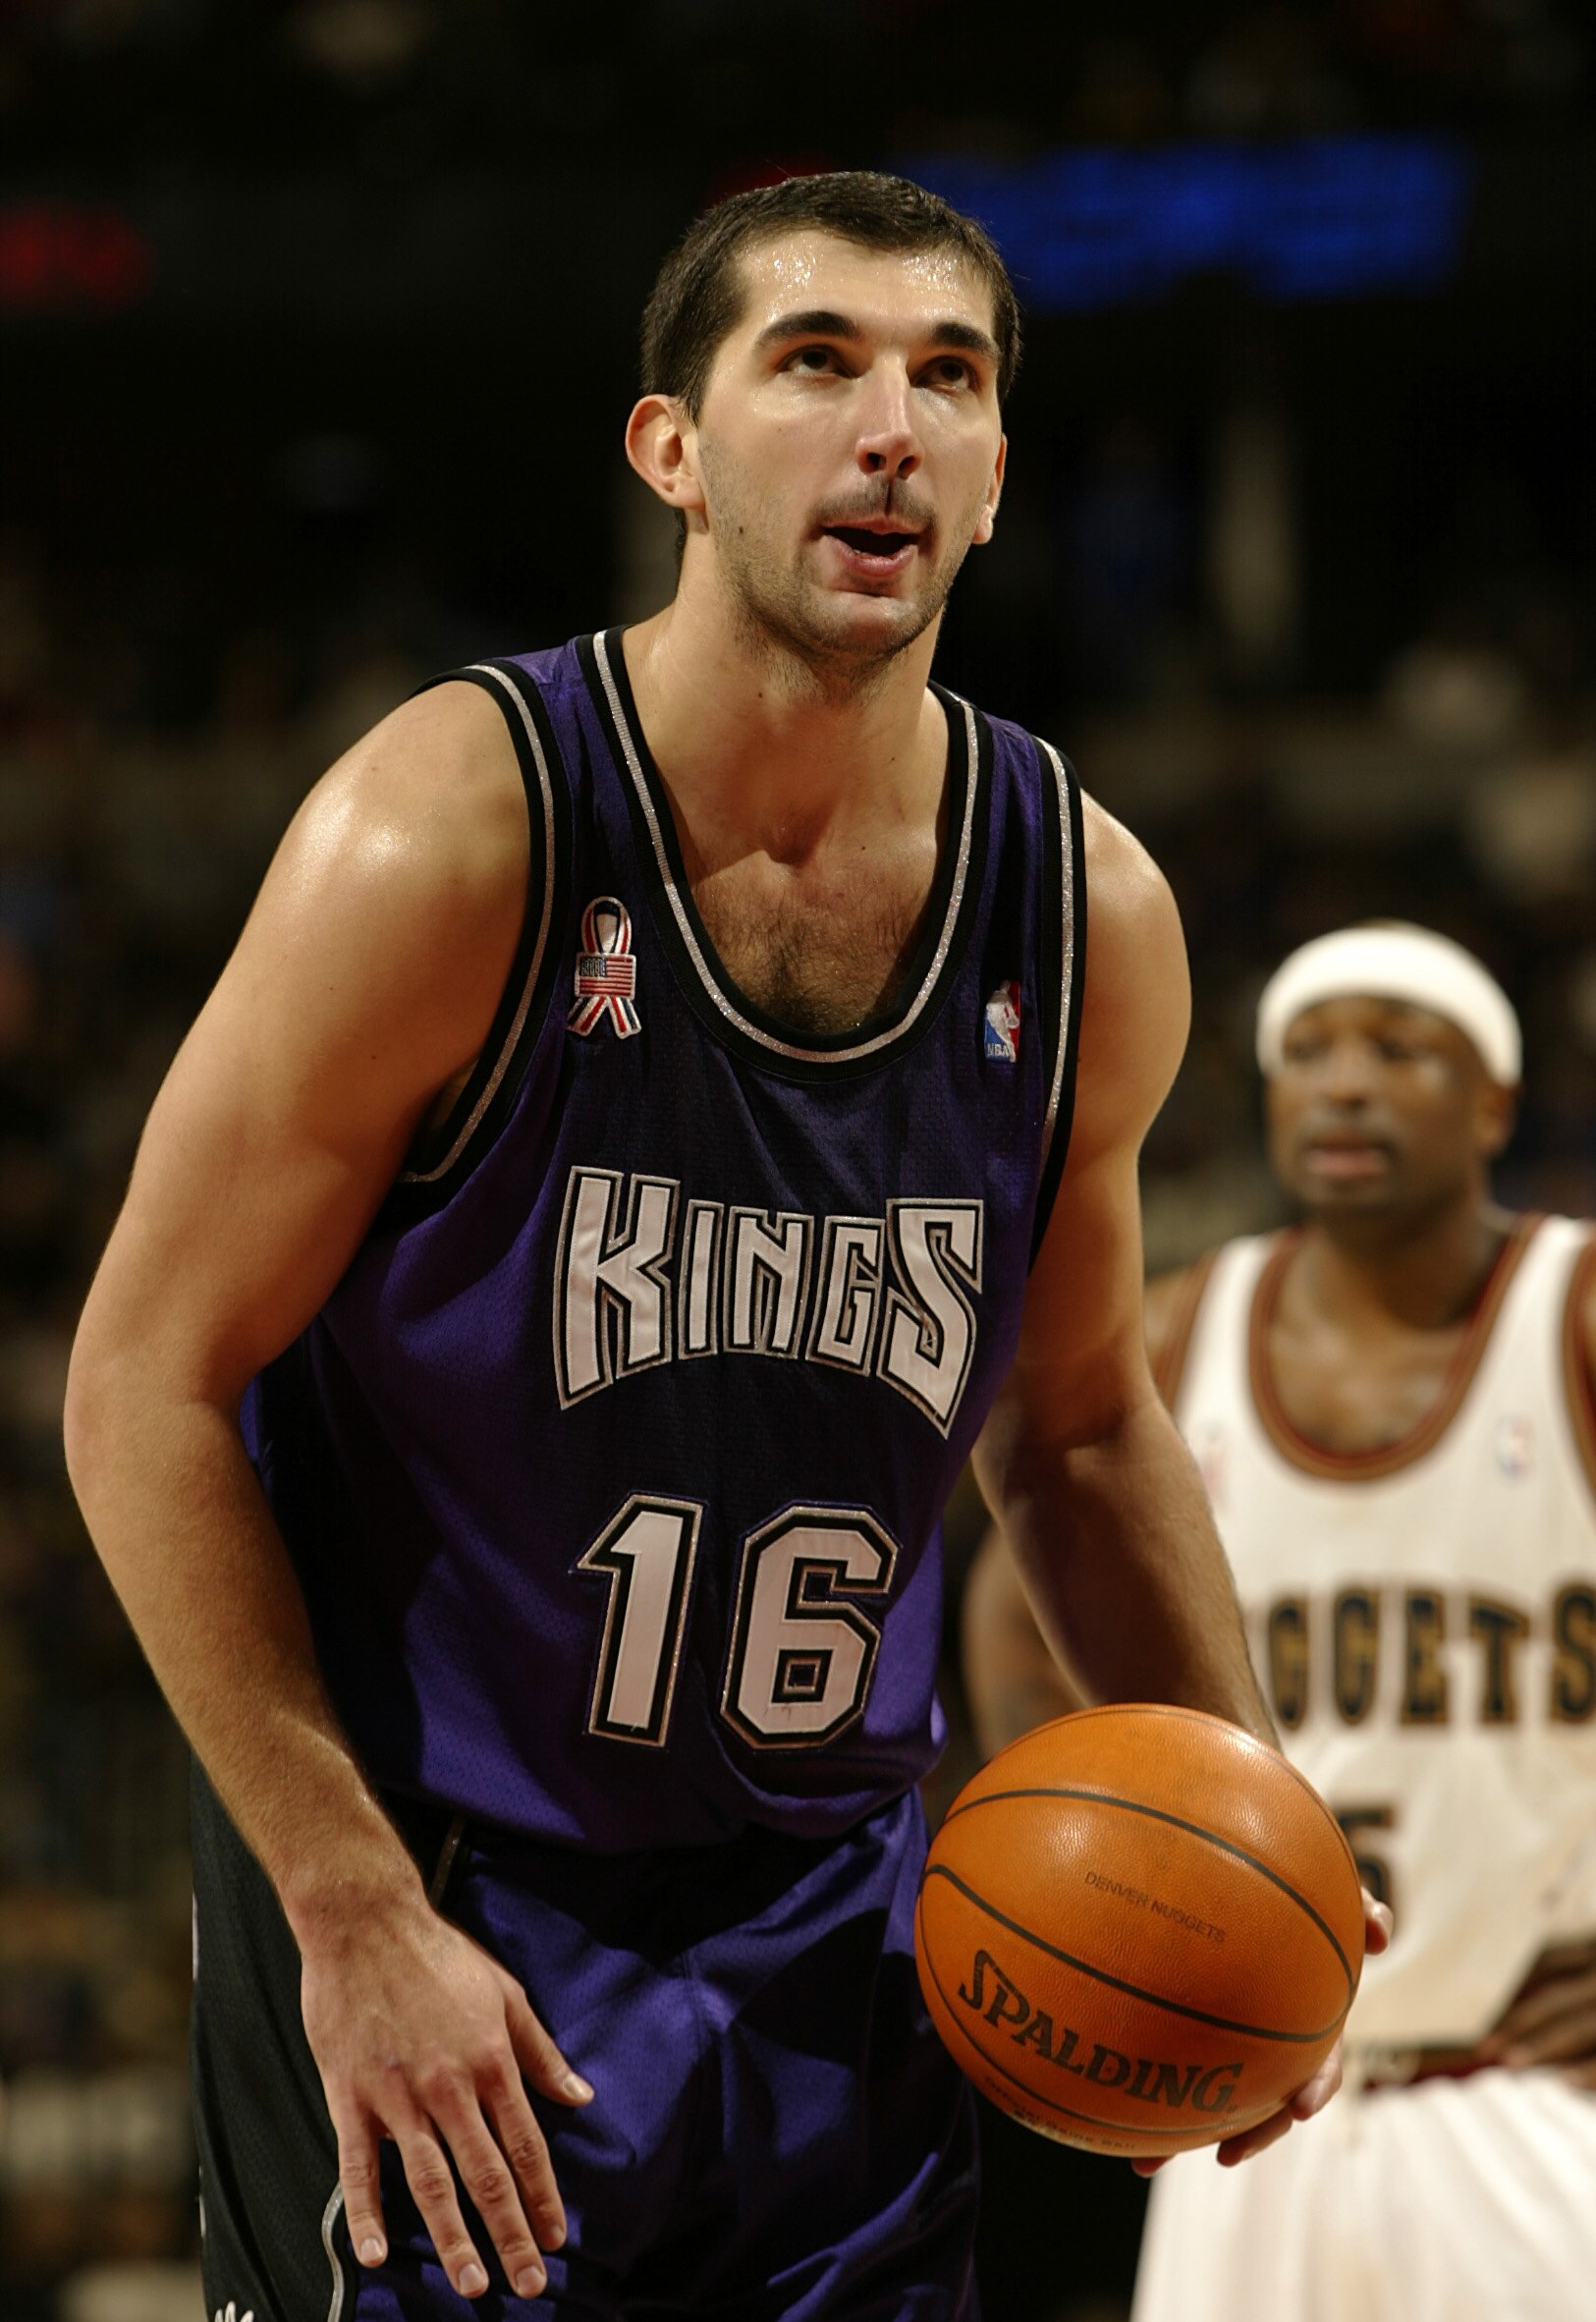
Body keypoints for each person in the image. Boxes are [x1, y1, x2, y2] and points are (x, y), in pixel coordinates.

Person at [64, 173, 1379, 2322]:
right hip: (455, 1904)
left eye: (948, 379)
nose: (891, 429)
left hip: (848, 1936)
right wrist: (345, 1905)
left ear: (995, 476)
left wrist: (1260, 1836)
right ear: (670, 449)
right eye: (817, 362)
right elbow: (142, 1382)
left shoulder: (1084, 911)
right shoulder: (454, 832)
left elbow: (1074, 1428)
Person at [964, 921, 1596, 2322]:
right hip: (1248, 2090)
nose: (1345, 1083)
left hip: (1536, 2089)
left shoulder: (1574, 1313)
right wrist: (1100, 1845)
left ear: (1494, 1104)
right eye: (1307, 1052)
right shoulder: (1177, 1331)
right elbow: (1012, 1617)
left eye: (1398, 1050)